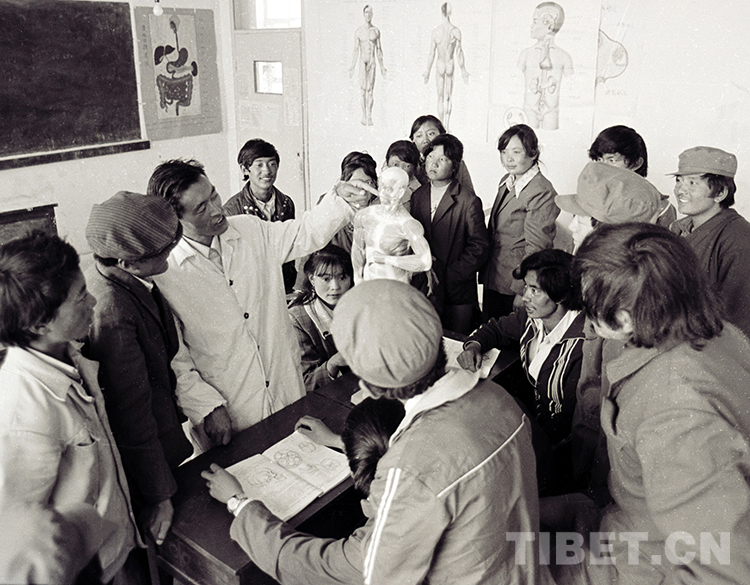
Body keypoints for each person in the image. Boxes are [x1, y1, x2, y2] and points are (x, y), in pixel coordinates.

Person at [203, 279, 550, 585]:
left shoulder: (409, 467)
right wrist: (339, 442)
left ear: (369, 387)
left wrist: (242, 506)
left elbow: (357, 572)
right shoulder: (498, 398)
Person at [553, 222, 750, 585]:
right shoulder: (713, 332)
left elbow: (722, 567)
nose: (588, 321)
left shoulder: (675, 412)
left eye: (589, 307)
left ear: (624, 319)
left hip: (645, 561)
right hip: (631, 523)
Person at [147, 158, 373, 450]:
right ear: (175, 220)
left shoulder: (250, 230)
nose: (217, 209)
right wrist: (205, 407)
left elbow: (305, 232)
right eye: (201, 208)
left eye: (214, 195)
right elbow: (176, 357)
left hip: (285, 389)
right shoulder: (166, 272)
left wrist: (341, 199)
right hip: (229, 409)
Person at [0, 231, 140, 584]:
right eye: (80, 297)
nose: (93, 301)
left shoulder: (66, 352)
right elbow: (20, 548)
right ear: (39, 324)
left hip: (111, 548)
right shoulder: (22, 415)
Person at [85, 191, 194, 548]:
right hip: (145, 468)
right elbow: (131, 413)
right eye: (163, 251)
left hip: (164, 442)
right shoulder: (112, 309)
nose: (171, 253)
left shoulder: (130, 278)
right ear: (128, 262)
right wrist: (160, 495)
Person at [460, 249, 584, 493]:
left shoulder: (583, 343)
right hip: (533, 429)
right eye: (526, 286)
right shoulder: (531, 318)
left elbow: (575, 422)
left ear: (560, 295)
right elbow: (496, 328)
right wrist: (473, 345)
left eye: (534, 290)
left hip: (560, 450)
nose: (524, 296)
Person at [411, 133, 489, 334]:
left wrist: (453, 274)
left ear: (455, 165)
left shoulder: (468, 200)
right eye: (431, 157)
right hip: (425, 286)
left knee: (456, 341)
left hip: (456, 289)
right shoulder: (418, 196)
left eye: (442, 159)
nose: (434, 163)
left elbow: (479, 246)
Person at [669, 146, 750, 338]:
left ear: (720, 192)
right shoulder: (677, 229)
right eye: (679, 180)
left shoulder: (738, 237)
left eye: (692, 183)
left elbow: (739, 319)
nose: (680, 190)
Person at [480, 124, 559, 320]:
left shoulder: (541, 191)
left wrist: (522, 289)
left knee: (508, 334)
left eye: (516, 152)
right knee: (490, 330)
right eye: (504, 152)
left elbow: (537, 249)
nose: (508, 158)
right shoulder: (507, 180)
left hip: (514, 284)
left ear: (533, 153)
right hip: (495, 276)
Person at [223, 138, 297, 293]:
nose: (267, 171)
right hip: (252, 287)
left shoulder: (286, 202)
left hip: (284, 283)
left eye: (272, 164)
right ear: (245, 169)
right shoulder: (231, 209)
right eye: (259, 165)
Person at [288, 245, 353, 392]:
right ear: (312, 279)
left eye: (342, 277)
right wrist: (333, 363)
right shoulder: (297, 319)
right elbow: (306, 382)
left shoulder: (360, 304)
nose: (335, 286)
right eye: (326, 279)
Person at [351, 166, 432, 284]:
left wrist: (386, 259)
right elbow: (358, 249)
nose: (382, 194)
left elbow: (425, 261)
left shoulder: (407, 224)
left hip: (395, 285)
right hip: (369, 283)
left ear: (401, 192)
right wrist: (358, 278)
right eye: (381, 187)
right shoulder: (364, 215)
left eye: (389, 189)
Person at [588, 125, 676, 227]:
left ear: (636, 163)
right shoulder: (588, 200)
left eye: (611, 160)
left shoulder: (661, 208)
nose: (602, 167)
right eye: (599, 160)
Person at [519, 2, 573, 130]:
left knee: (552, 137)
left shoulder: (564, 57)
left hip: (551, 111)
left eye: (535, 21)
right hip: (529, 110)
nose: (531, 26)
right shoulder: (525, 54)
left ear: (549, 26)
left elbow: (572, 86)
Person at [423, 2, 470, 131]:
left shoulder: (436, 32)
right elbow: (459, 53)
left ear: (441, 12)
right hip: (449, 63)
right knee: (448, 96)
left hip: (440, 64)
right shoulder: (455, 31)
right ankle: (447, 126)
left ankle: (442, 126)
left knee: (440, 97)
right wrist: (463, 70)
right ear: (450, 13)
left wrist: (427, 71)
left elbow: (432, 53)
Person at [409, 114, 474, 192]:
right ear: (413, 140)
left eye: (431, 134)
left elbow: (469, 195)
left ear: (442, 134)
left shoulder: (456, 163)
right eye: (419, 136)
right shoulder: (409, 165)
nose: (425, 140)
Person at [350, 4, 386, 126]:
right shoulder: (359, 31)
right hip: (362, 61)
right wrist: (352, 66)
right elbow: (355, 50)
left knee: (370, 90)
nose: (368, 15)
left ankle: (369, 116)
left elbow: (379, 50)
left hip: (372, 61)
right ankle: (364, 115)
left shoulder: (376, 31)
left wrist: (382, 66)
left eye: (370, 13)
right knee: (363, 90)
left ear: (372, 14)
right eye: (366, 12)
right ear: (363, 14)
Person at [383, 139, 421, 213]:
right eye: (396, 164)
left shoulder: (419, 192)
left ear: (415, 167)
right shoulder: (380, 185)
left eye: (407, 166)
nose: (400, 170)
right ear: (387, 163)